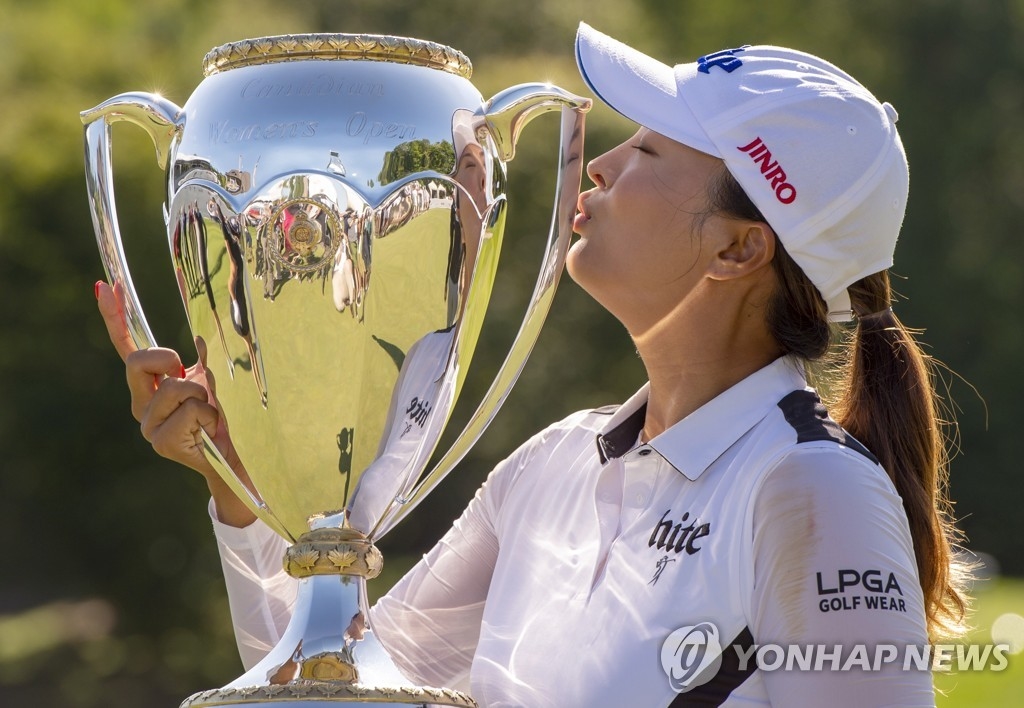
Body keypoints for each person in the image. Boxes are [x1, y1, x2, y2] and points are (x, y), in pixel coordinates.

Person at [96, 23, 970, 707]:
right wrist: (241, 493)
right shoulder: (553, 463)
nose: (602, 163)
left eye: (649, 152)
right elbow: (330, 685)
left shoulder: (815, 489)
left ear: (740, 251)